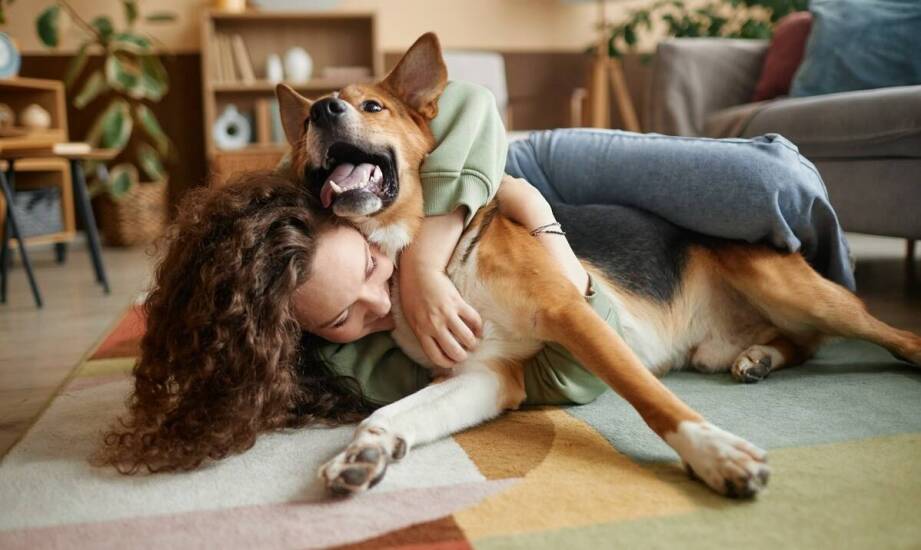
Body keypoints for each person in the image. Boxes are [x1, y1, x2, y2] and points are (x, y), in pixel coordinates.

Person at [98, 82, 854, 474]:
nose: (377, 296)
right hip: (547, 244)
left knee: (776, 191)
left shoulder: (295, 181)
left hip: (508, 159)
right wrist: (387, 426)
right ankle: (789, 337)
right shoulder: (301, 296)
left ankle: (819, 290)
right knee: (768, 219)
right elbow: (507, 378)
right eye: (340, 318)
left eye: (368, 270)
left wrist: (425, 257)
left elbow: (464, 106)